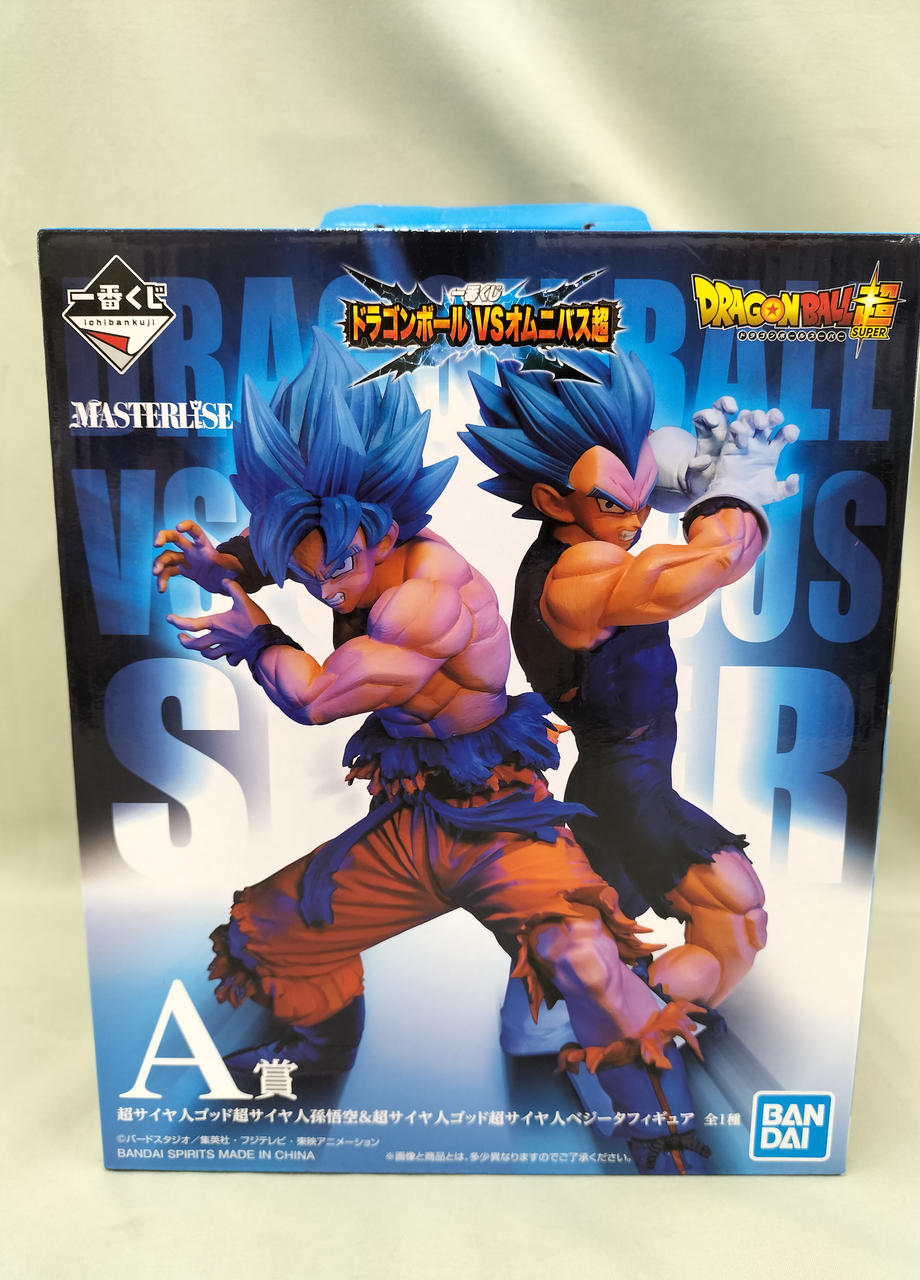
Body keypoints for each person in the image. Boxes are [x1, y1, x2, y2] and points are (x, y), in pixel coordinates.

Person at [153, 331, 711, 1174]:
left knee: (584, 959)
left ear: (382, 530)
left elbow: (314, 699)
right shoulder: (332, 545)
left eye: (341, 567)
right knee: (268, 931)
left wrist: (256, 632)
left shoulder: (426, 599)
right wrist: (223, 562)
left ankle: (663, 1139)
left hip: (501, 819)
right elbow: (295, 544)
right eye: (306, 575)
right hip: (410, 816)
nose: (328, 591)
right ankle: (320, 1055)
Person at [462, 352, 799, 1012]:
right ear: (552, 501)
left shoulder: (586, 541)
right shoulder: (577, 574)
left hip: (612, 782)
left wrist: (687, 479)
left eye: (644, 495)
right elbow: (716, 558)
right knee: (735, 912)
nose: (637, 519)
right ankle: (631, 1018)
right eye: (616, 502)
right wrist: (728, 496)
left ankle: (546, 1012)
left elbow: (639, 502)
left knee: (589, 921)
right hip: (627, 787)